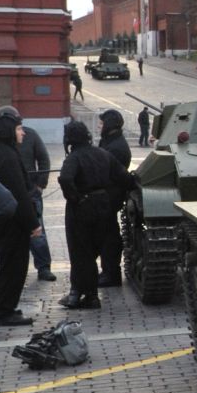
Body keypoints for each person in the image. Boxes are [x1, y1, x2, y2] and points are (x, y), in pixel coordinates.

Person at [58, 122, 127, 310]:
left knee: (81, 251)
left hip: (82, 207)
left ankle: (85, 295)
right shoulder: (103, 154)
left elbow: (65, 178)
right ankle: (87, 293)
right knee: (94, 248)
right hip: (103, 205)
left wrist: (75, 198)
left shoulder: (74, 157)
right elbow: (124, 176)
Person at [0, 107, 55, 282]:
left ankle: (43, 267)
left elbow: (43, 158)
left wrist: (40, 185)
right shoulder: (3, 146)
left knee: (37, 231)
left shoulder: (30, 135)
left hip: (29, 191)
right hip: (7, 197)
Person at [0, 113, 40, 325]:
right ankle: (4, 310)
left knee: (7, 263)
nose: (22, 132)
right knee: (13, 265)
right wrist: (33, 223)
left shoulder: (3, 151)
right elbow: (19, 193)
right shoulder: (6, 155)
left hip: (5, 218)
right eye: (19, 129)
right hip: (13, 221)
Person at [96, 107, 131, 288]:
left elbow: (111, 173)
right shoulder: (110, 142)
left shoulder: (116, 147)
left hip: (110, 196)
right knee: (105, 235)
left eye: (101, 123)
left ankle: (111, 273)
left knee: (109, 237)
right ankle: (108, 271)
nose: (98, 127)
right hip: (107, 195)